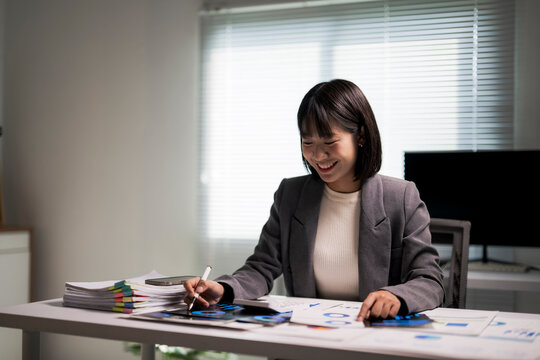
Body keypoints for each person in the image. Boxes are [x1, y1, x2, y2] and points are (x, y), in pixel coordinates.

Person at [184, 79, 444, 321]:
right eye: (308, 142)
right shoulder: (291, 195)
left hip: (374, 340)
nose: (318, 155)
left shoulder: (400, 197)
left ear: (361, 136)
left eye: (329, 141)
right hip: (309, 335)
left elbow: (429, 280)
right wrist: (222, 288)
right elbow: (261, 268)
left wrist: (397, 296)